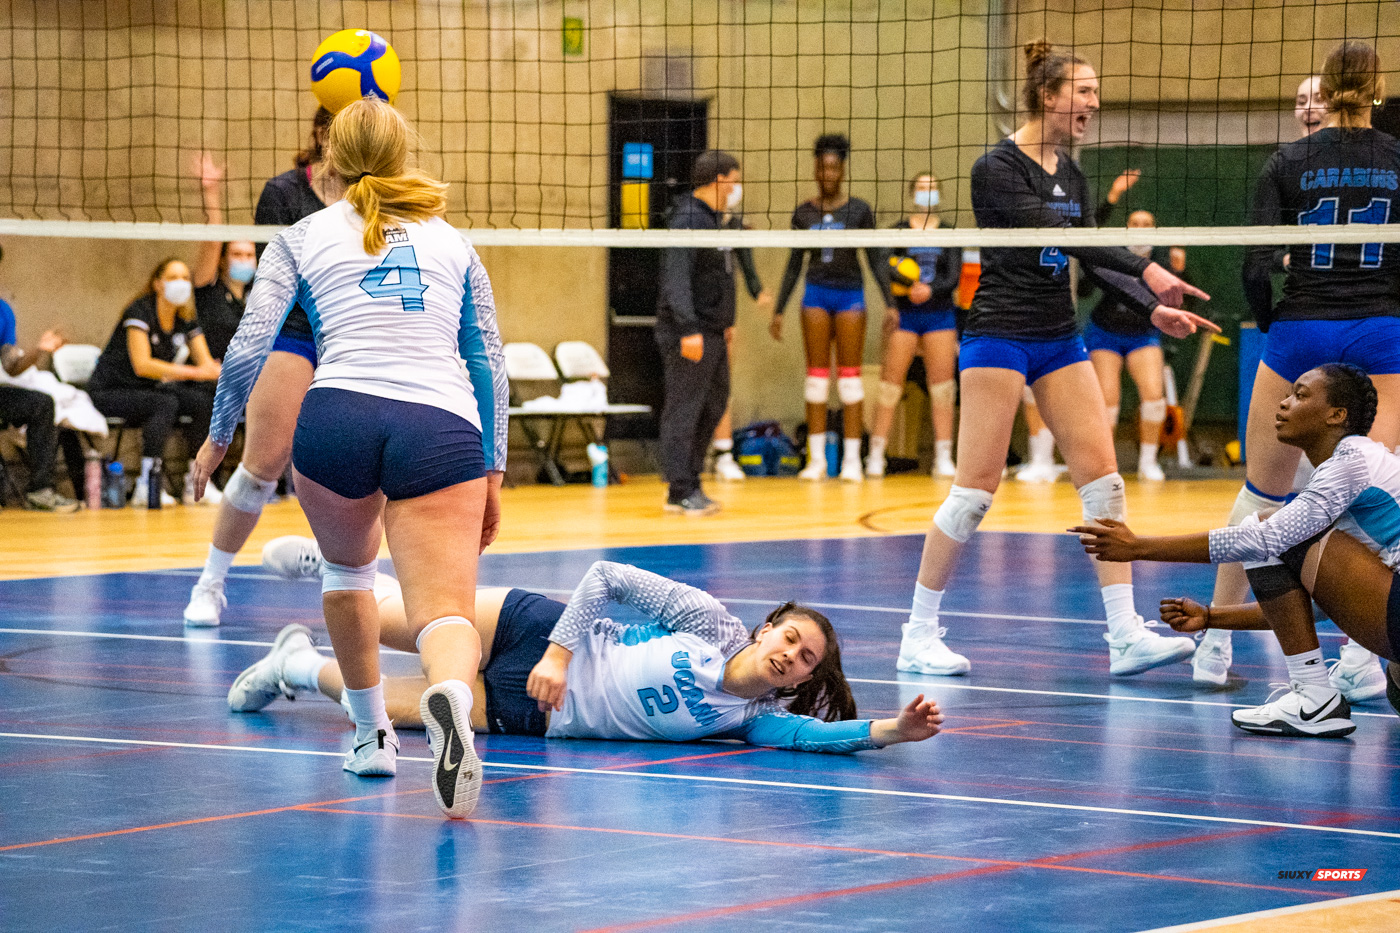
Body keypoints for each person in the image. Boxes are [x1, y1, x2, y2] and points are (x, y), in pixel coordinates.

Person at [191, 97, 509, 820]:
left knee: (348, 573)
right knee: (444, 613)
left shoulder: (300, 235)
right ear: (404, 157)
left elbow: (248, 346)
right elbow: (488, 361)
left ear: (327, 161)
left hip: (335, 419)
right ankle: (449, 699)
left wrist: (218, 435)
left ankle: (370, 735)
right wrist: (492, 469)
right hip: (441, 425)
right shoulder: (453, 242)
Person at [895, 39, 1213, 679]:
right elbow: (1067, 235)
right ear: (1049, 96)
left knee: (1104, 482)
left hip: (1060, 337)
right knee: (973, 493)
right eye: (1084, 92)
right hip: (1000, 336)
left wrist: (1150, 308)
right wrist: (1149, 268)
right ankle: (918, 634)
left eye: (1096, 92)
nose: (1094, 103)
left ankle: (1125, 634)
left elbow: (1090, 254)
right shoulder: (997, 169)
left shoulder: (1072, 170)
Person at [229, 558, 945, 753]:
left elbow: (818, 737)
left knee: (394, 706)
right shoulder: (708, 621)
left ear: (807, 676)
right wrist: (562, 652)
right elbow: (604, 577)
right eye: (790, 636)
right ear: (766, 629)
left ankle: (291, 664)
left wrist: (891, 729)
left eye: (807, 657)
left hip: (534, 710)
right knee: (401, 621)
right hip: (539, 634)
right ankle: (345, 564)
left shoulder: (747, 719)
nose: (793, 653)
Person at [1195, 43, 1400, 694]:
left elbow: (1256, 264)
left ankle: (1213, 648)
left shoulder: (1288, 160)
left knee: (1261, 493)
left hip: (1300, 329)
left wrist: (1271, 324)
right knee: (1368, 498)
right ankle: (1361, 662)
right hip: (1382, 332)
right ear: (1378, 90)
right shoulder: (1398, 158)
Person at [1074, 364, 1397, 737]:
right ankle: (1315, 697)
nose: (1283, 403)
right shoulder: (1354, 472)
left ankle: (1314, 699)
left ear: (1336, 415)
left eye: (1300, 395)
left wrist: (1139, 547)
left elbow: (1264, 541)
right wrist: (1212, 617)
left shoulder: (1352, 463)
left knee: (1262, 526)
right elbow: (1326, 607)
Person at [182, 108, 342, 628]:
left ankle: (345, 565)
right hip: (295, 328)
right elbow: (276, 280)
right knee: (263, 463)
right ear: (318, 132)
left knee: (365, 468)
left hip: (351, 332)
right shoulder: (283, 192)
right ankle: (211, 582)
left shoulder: (379, 192)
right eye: (334, 124)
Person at [771, 133, 894, 483]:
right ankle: (817, 461)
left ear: (842, 170)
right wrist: (779, 309)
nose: (828, 173)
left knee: (851, 382)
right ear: (815, 170)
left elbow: (874, 258)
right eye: (822, 167)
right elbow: (795, 262)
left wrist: (889, 303)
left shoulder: (859, 210)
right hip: (815, 295)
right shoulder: (804, 213)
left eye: (834, 167)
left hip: (851, 296)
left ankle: (853, 460)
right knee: (816, 381)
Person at [1015, 169, 1142, 483]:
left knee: (1056, 390)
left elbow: (1089, 234)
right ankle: (1040, 459)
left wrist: (1111, 198)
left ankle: (1072, 463)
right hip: (1021, 312)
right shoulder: (1019, 220)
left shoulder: (1069, 224)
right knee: (1030, 391)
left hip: (1060, 315)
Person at [87, 258, 221, 507]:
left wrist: (214, 371)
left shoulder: (185, 317)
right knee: (165, 403)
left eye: (185, 278)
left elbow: (206, 366)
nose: (180, 283)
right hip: (110, 391)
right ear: (158, 284)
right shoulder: (139, 311)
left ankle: (197, 480)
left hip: (147, 391)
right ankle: (147, 483)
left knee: (204, 401)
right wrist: (196, 372)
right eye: (173, 278)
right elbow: (143, 365)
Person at [656, 149, 745, 515]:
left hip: (713, 330)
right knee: (684, 408)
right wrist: (688, 327)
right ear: (720, 180)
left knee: (714, 403)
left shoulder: (714, 220)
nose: (737, 189)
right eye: (735, 182)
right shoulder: (688, 219)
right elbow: (676, 279)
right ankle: (679, 489)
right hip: (689, 332)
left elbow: (718, 278)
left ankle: (691, 480)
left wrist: (726, 323)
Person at [865, 172, 961, 479]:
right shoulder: (897, 231)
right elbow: (883, 266)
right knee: (889, 386)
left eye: (932, 189)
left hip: (940, 314)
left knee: (943, 389)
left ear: (940, 194)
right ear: (912, 194)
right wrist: (896, 299)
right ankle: (876, 455)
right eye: (922, 189)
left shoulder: (949, 232)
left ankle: (944, 457)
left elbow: (954, 275)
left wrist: (931, 289)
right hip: (905, 315)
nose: (927, 194)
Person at [1082, 209, 1188, 482]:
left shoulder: (1164, 260)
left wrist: (1179, 273)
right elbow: (1083, 289)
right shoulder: (1113, 252)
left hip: (1143, 333)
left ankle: (1148, 462)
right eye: (1135, 223)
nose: (1140, 228)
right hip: (1105, 331)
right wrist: (1095, 264)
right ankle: (1105, 466)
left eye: (1147, 224)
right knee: (1108, 400)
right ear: (1126, 228)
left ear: (1154, 230)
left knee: (1154, 396)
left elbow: (1181, 305)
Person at [0, 263, 81, 512]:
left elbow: (11, 365)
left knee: (41, 403)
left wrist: (39, 350)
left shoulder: (3, 311)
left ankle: (40, 491)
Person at [709, 212, 774, 482]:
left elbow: (747, 267)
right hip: (696, 319)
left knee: (721, 386)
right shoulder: (694, 219)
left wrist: (758, 291)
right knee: (694, 392)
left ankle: (723, 455)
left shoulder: (735, 225)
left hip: (725, 319)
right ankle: (687, 457)